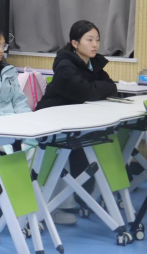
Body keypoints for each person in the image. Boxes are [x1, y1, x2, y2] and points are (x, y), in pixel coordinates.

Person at [36, 20, 117, 226]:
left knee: (104, 139)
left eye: (97, 40)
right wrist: (97, 87)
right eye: (89, 40)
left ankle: (86, 197)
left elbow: (111, 86)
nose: (95, 44)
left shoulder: (94, 63)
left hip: (76, 120)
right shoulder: (65, 65)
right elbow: (86, 92)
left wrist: (95, 87)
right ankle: (56, 206)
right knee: (70, 151)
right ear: (75, 43)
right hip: (51, 120)